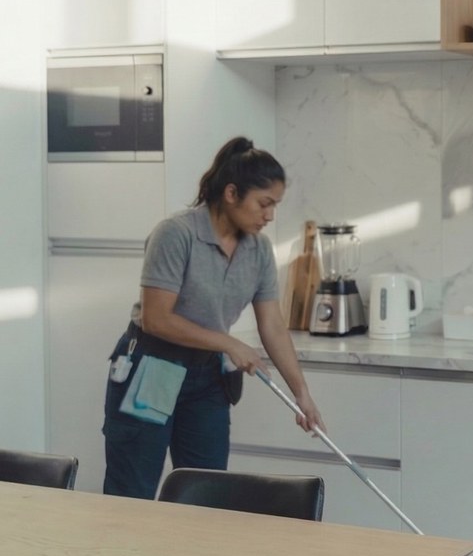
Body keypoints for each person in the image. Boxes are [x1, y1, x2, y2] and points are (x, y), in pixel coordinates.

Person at [102, 136, 326, 499]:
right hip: (153, 368)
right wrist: (227, 342)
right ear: (232, 193)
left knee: (206, 494)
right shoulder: (176, 234)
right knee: (132, 494)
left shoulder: (258, 250)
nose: (270, 215)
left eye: (275, 206)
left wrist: (302, 394)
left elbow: (272, 325)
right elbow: (157, 319)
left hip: (207, 379)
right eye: (264, 204)